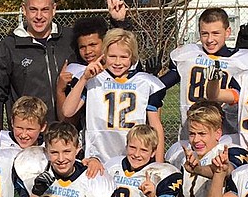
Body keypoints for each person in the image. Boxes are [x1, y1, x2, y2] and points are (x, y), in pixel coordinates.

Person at [61, 29, 168, 162]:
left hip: (134, 156)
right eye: (112, 56)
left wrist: (159, 164)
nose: (118, 62)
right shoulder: (94, 79)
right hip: (98, 155)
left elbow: (156, 126)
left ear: (133, 57)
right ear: (104, 55)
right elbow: (68, 111)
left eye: (123, 57)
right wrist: (84, 79)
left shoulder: (145, 82)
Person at [162, 8, 248, 155]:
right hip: (193, 135)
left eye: (216, 33)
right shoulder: (188, 54)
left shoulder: (244, 59)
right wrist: (149, 76)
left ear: (227, 32)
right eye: (204, 33)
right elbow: (160, 85)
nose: (210, 39)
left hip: (228, 135)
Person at [0, 0, 76, 125]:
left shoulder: (71, 40)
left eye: (45, 10)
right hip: (27, 136)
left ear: (54, 9)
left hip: (66, 135)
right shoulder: (9, 46)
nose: (39, 16)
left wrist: (118, 23)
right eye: (33, 9)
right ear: (24, 9)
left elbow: (109, 54)